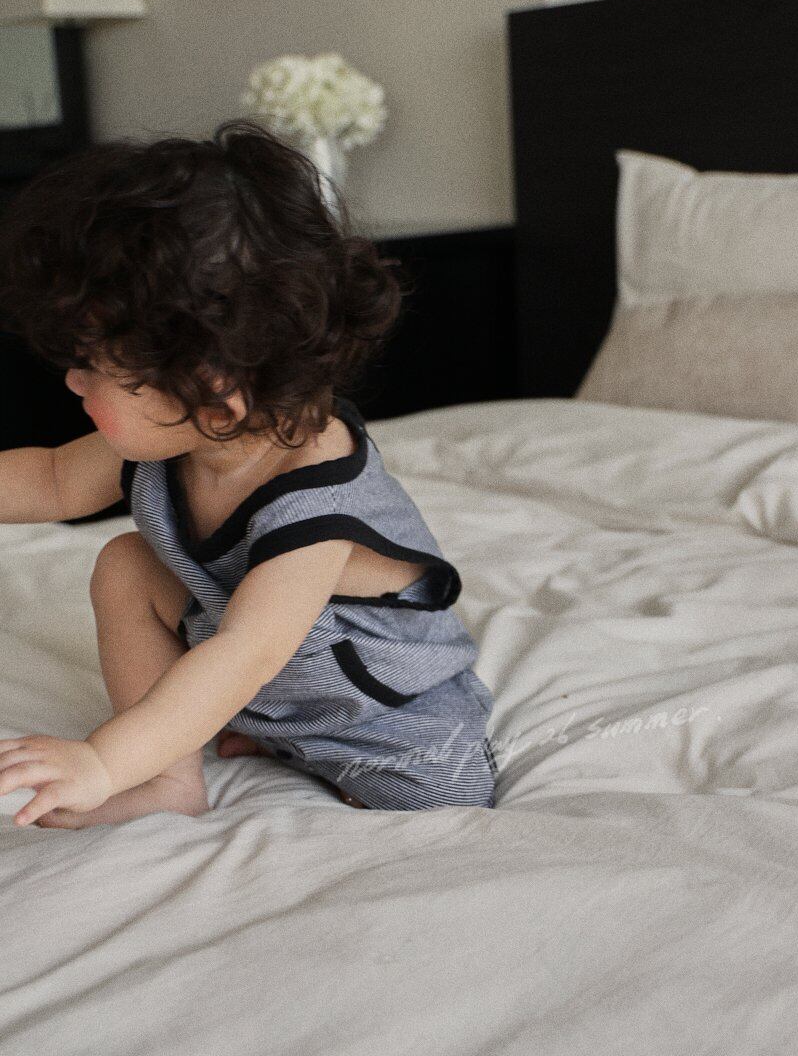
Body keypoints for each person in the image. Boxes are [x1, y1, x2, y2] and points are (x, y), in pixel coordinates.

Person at [0, 120, 498, 828]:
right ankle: (170, 779)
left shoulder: (315, 505)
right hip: (276, 683)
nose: (73, 381)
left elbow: (244, 653)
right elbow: (52, 480)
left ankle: (245, 745)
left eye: (95, 367)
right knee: (127, 563)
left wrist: (101, 763)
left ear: (214, 398)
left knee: (442, 797)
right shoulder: (186, 433)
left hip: (378, 713)